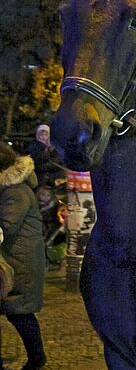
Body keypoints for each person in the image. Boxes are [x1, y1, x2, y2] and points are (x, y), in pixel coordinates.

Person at [0, 143, 47, 370]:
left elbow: (5, 227)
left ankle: (37, 360)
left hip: (20, 263)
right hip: (14, 260)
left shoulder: (14, 192)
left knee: (20, 314)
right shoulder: (9, 188)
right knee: (17, 313)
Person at [26, 124, 64, 190]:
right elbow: (38, 161)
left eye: (46, 135)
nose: (43, 137)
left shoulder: (53, 146)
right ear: (37, 135)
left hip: (52, 176)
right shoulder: (34, 146)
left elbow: (59, 158)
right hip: (41, 176)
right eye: (41, 135)